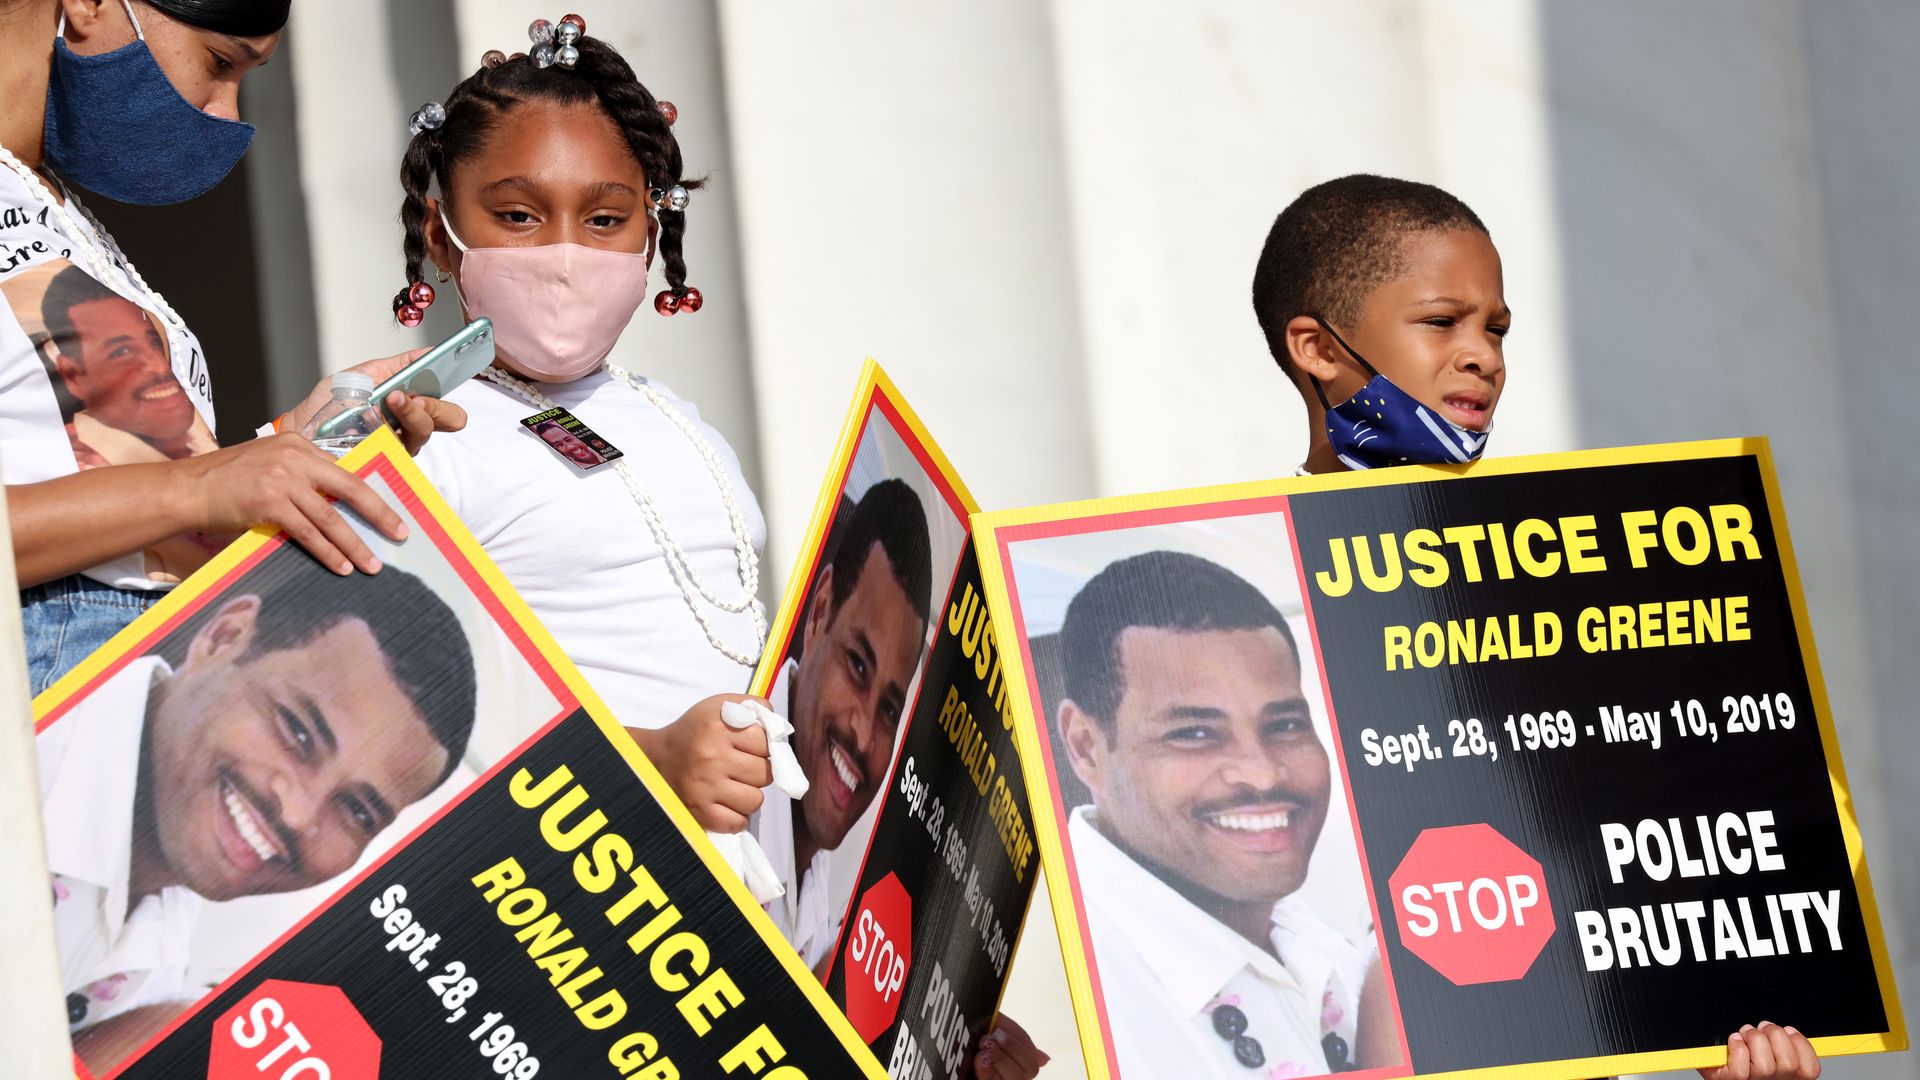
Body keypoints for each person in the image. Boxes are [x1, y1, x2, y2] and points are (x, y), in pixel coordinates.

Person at [400, 26, 1043, 1079]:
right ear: (441, 230)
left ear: (652, 236)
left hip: (746, 953)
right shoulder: (433, 440)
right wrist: (648, 760)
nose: (563, 252)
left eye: (605, 219)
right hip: (587, 956)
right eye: (516, 216)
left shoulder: (681, 424)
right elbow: (408, 742)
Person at [1251, 174, 1822, 1080]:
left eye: (1498, 329)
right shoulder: (1247, 603)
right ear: (1319, 347)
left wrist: (1719, 1033)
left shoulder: (1586, 604)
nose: (1484, 357)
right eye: (1443, 322)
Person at [0, 0, 466, 695]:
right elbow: (183, 495)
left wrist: (295, 443)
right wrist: (202, 487)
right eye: (219, 63)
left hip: (150, 668)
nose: (226, 112)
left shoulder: (58, 209)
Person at [37, 552, 477, 1069]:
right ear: (223, 638)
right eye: (298, 731)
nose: (296, 813)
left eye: (358, 811)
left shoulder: (166, 973)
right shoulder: (34, 710)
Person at [1055, 549, 1387, 1077]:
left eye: (1284, 724)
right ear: (1085, 745)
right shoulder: (1060, 1000)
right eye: (1193, 733)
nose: (1261, 774)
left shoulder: (1322, 947)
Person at [753, 477, 932, 971]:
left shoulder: (822, 907)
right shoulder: (714, 787)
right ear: (820, 612)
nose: (864, 732)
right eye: (857, 665)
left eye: (890, 710)